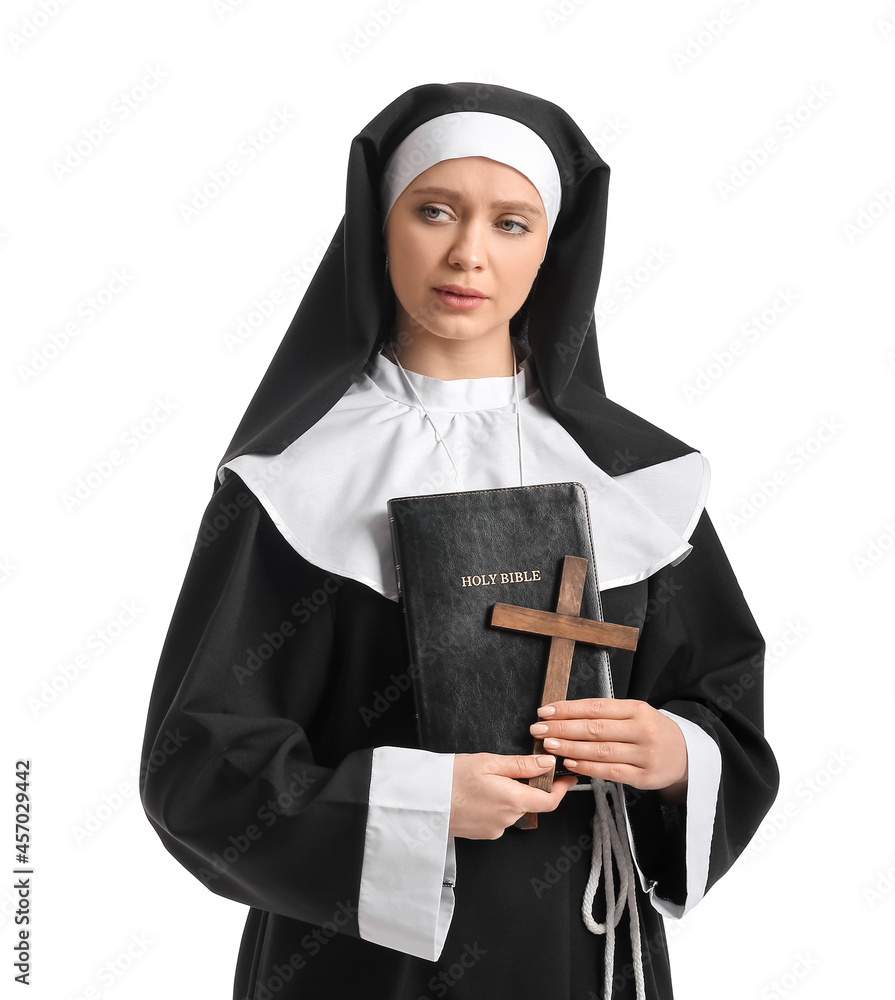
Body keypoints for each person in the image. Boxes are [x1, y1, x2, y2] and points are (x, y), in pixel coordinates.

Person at [139, 81, 779, 1000]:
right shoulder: (291, 480)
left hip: (581, 947)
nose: (468, 253)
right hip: (356, 966)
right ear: (379, 225)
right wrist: (419, 806)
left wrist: (676, 754)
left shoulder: (640, 482)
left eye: (511, 223)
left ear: (551, 248)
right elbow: (197, 767)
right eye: (434, 210)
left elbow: (724, 704)